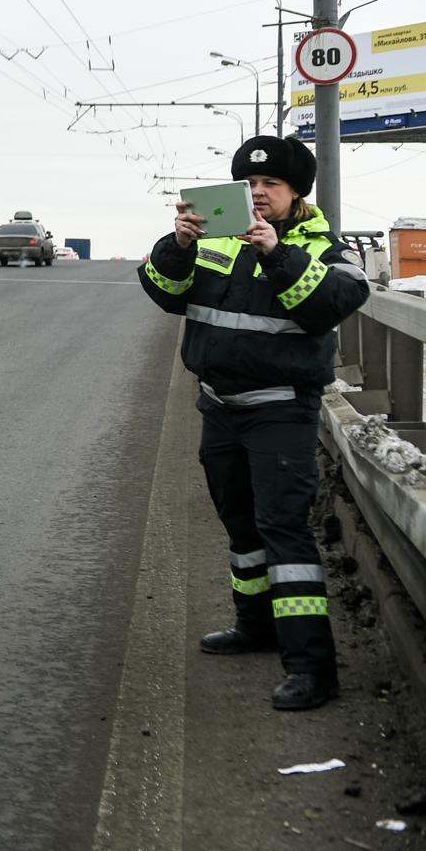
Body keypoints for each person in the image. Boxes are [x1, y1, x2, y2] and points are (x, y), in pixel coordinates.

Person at [137, 135, 370, 710]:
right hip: (220, 405)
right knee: (241, 528)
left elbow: (331, 303)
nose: (260, 194)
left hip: (282, 410)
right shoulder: (215, 238)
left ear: (297, 194)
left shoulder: (323, 247)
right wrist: (178, 245)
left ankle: (312, 669)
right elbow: (164, 292)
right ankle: (255, 626)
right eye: (252, 184)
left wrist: (276, 253)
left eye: (272, 185)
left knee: (284, 531)